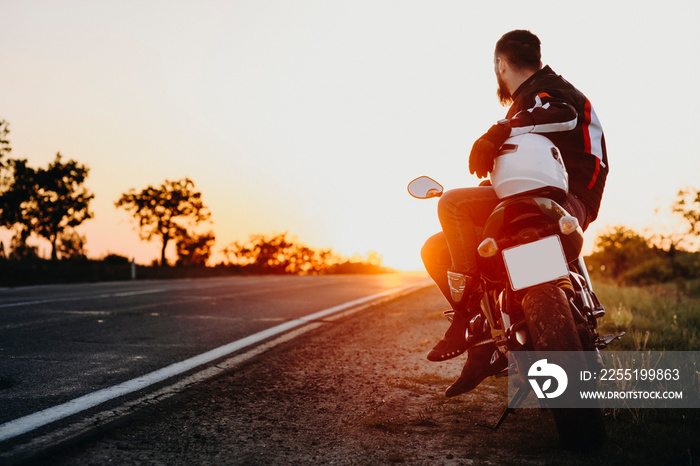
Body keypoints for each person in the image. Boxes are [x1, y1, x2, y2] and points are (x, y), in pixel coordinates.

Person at [422, 29, 609, 397]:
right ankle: (486, 338)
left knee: (450, 204)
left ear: (500, 64)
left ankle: (467, 323)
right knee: (436, 248)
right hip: (536, 194)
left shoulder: (548, 91)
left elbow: (562, 113)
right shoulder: (529, 101)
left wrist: (499, 130)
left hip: (566, 195)